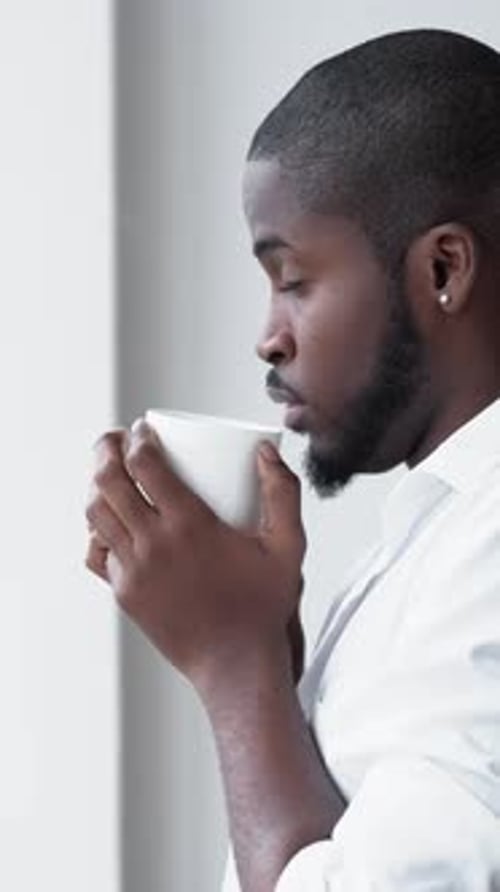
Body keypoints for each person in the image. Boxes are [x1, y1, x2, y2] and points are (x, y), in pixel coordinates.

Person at [85, 27, 500, 892]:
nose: (268, 338)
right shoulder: (436, 534)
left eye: (293, 279)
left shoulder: (487, 548)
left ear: (444, 270)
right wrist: (271, 667)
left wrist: (234, 668)